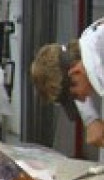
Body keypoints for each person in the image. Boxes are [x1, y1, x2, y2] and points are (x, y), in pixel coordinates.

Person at [31, 18, 104, 148]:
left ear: (75, 72)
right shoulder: (90, 41)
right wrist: (91, 119)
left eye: (75, 96)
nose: (82, 99)